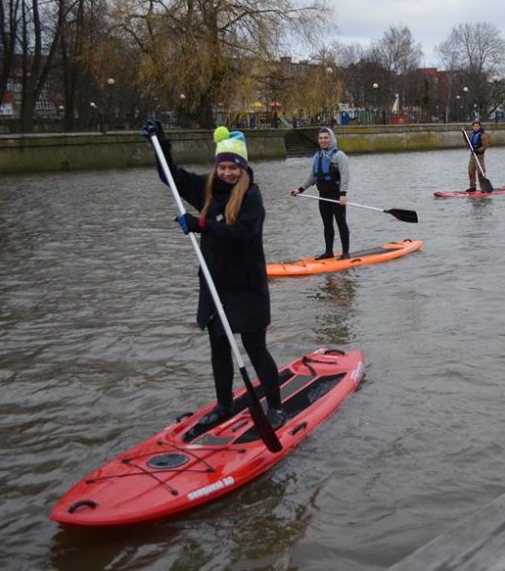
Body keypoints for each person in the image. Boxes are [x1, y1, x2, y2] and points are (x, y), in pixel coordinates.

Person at [141, 120, 285, 429]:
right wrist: (160, 143)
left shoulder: (252, 196)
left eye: (234, 167)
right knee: (219, 349)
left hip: (246, 286)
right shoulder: (207, 188)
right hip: (215, 284)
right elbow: (171, 177)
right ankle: (224, 405)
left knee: (255, 349)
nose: (228, 173)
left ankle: (275, 406)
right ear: (217, 167)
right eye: (223, 167)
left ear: (243, 168)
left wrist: (200, 224)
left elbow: (242, 233)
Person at [290, 127, 350, 259]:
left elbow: (345, 175)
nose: (323, 140)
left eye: (326, 138)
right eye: (321, 138)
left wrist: (343, 194)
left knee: (341, 223)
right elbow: (312, 176)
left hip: (336, 195)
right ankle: (329, 252)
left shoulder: (339, 155)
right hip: (323, 195)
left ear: (331, 139)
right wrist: (300, 189)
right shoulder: (318, 156)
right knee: (327, 224)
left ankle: (346, 253)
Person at [466, 120, 489, 192]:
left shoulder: (483, 135)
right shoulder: (472, 134)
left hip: (479, 156)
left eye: (477, 126)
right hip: (473, 156)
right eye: (474, 126)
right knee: (470, 171)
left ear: (480, 127)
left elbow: (485, 145)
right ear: (472, 127)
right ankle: (472, 187)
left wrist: (478, 150)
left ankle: (483, 188)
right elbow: (468, 141)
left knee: (480, 172)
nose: (476, 127)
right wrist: (464, 135)